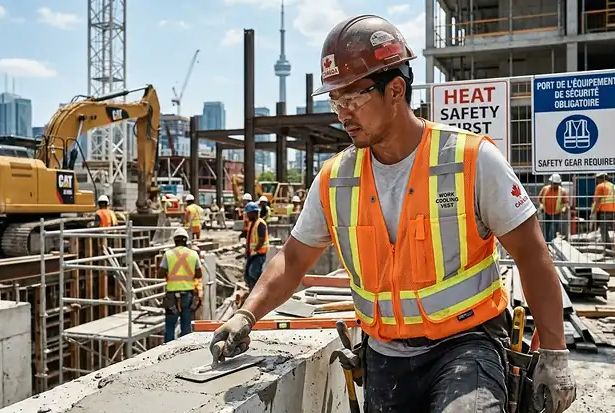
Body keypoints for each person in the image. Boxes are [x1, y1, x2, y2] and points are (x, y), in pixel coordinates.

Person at [208, 15, 576, 413]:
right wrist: (247, 313)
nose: (342, 113)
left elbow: (531, 254)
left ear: (396, 89)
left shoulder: (470, 160)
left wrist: (555, 354)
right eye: (335, 100)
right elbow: (294, 259)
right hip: (385, 358)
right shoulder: (336, 179)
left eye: (352, 99)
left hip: (466, 345)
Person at [160, 227, 203, 342]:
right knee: (186, 326)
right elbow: (199, 274)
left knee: (170, 326)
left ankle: (167, 353)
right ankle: (184, 351)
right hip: (187, 295)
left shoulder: (168, 254)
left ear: (174, 240)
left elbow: (160, 273)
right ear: (186, 240)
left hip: (172, 296)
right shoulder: (193, 254)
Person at [243, 201, 269, 290]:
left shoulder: (260, 223)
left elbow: (261, 239)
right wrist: (247, 251)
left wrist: (255, 250)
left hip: (259, 254)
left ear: (254, 213)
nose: (247, 216)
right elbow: (250, 239)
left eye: (248, 214)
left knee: (253, 273)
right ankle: (252, 290)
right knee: (247, 274)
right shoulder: (252, 223)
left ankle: (259, 290)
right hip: (253, 254)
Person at [537, 173, 569, 242]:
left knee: (554, 229)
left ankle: (551, 242)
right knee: (547, 229)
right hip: (546, 212)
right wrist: (541, 206)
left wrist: (564, 208)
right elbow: (540, 199)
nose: (554, 185)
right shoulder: (545, 189)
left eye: (555, 183)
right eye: (553, 183)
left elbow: (565, 202)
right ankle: (547, 243)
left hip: (556, 213)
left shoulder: (562, 191)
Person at [591, 172, 615, 246]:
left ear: (600, 178)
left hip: (605, 211)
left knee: (604, 229)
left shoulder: (600, 186)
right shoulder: (613, 186)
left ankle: (607, 246)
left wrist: (593, 212)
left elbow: (596, 201)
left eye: (597, 179)